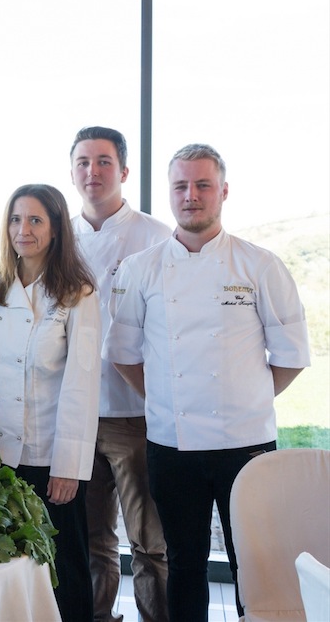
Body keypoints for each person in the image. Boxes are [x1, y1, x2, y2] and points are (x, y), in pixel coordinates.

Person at [104, 144, 309, 622]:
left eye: (202, 185)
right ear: (170, 193)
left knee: (252, 564)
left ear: (223, 191)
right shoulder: (142, 269)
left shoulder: (259, 266)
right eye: (181, 186)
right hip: (172, 444)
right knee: (184, 561)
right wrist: (166, 402)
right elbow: (124, 356)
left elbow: (291, 357)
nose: (191, 196)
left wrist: (245, 398)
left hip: (248, 444)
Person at [0, 183, 100, 622]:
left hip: (52, 455)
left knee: (64, 563)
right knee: (13, 565)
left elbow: (82, 385)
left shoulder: (78, 293)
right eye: (15, 219)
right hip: (2, 454)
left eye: (35, 220)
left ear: (55, 229)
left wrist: (68, 465)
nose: (23, 229)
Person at [69, 126, 170, 622]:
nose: (93, 171)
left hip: (134, 414)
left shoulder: (155, 236)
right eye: (84, 162)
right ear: (72, 172)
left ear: (124, 172)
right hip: (76, 416)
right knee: (91, 541)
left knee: (149, 542)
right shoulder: (58, 237)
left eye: (104, 161)